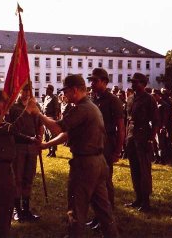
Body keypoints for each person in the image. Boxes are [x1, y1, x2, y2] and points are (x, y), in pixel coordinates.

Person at [26, 75, 119, 238]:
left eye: (66, 91)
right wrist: (46, 145)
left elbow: (57, 128)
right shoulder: (90, 106)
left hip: (84, 166)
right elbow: (68, 133)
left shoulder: (82, 108)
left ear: (75, 90)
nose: (65, 95)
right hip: (98, 163)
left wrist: (37, 113)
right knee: (104, 211)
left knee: (76, 210)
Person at [0, 89, 39, 238]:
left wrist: (31, 140)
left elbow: (15, 134)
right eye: (5, 101)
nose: (8, 104)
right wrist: (28, 110)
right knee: (4, 208)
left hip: (3, 168)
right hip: (0, 170)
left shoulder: (1, 120)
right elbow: (13, 129)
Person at [87, 68, 125, 230]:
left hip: (107, 144)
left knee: (105, 181)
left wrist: (117, 150)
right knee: (94, 182)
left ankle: (106, 218)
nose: (92, 83)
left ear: (104, 82)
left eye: (95, 81)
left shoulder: (113, 100)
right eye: (91, 80)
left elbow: (121, 127)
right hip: (94, 144)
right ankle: (98, 216)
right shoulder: (93, 99)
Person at [7, 85, 44, 222]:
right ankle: (17, 210)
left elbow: (40, 125)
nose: (27, 92)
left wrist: (40, 138)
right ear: (19, 91)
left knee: (28, 179)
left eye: (29, 90)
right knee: (18, 179)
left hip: (32, 148)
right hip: (19, 147)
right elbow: (12, 129)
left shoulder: (35, 105)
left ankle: (26, 209)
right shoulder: (13, 108)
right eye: (24, 90)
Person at [124, 73, 159, 213]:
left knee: (144, 170)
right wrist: (126, 137)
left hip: (143, 137)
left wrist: (151, 139)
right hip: (131, 137)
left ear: (143, 84)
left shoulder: (149, 99)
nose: (133, 84)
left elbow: (156, 122)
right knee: (134, 169)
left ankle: (146, 202)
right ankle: (138, 198)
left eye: (136, 82)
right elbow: (128, 119)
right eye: (132, 81)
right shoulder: (130, 98)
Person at [41, 84, 60, 157]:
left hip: (51, 117)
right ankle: (49, 150)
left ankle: (53, 151)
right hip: (45, 117)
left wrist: (55, 120)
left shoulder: (54, 98)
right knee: (47, 136)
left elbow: (56, 109)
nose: (46, 90)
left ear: (51, 90)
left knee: (52, 135)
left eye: (47, 89)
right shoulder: (46, 98)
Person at [151, 89, 169, 164]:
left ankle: (162, 159)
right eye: (153, 95)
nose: (153, 96)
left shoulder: (163, 105)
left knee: (160, 144)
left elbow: (165, 117)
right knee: (154, 143)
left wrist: (163, 127)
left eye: (155, 95)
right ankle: (157, 158)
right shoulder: (153, 104)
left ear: (159, 95)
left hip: (159, 126)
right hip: (153, 126)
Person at [160, 88, 172, 161]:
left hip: (167, 123)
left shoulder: (168, 102)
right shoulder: (167, 101)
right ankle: (168, 153)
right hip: (166, 122)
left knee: (168, 139)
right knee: (165, 139)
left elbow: (170, 114)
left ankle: (169, 154)